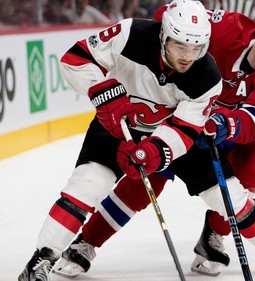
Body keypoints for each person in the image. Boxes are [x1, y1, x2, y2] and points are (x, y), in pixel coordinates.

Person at [54, 6, 255, 281]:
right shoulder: (229, 27)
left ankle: (215, 237)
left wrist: (224, 125)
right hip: (179, 118)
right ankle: (86, 243)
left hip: (219, 133)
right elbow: (170, 16)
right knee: (147, 177)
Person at [18, 0, 222, 280]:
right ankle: (42, 259)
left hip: (155, 134)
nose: (188, 56)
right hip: (113, 124)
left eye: (196, 48)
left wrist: (154, 151)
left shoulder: (208, 75)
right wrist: (103, 90)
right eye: (180, 46)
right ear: (164, 35)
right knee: (86, 186)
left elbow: (185, 128)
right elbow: (75, 58)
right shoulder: (130, 33)